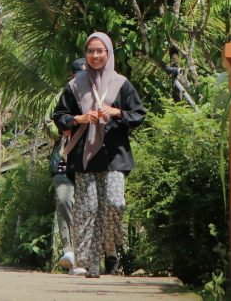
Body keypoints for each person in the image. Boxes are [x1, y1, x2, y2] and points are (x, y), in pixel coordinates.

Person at [51, 32, 145, 279]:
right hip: (84, 156)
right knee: (88, 208)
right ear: (86, 54)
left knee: (115, 203)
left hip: (115, 154)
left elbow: (139, 114)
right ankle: (91, 263)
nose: (95, 55)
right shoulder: (74, 85)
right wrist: (79, 118)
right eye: (90, 51)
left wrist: (117, 112)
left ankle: (111, 249)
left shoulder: (121, 83)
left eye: (100, 51)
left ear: (108, 53)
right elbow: (59, 115)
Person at [49, 57, 87, 272]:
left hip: (89, 161)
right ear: (72, 76)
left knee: (86, 206)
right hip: (64, 160)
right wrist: (66, 126)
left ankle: (87, 257)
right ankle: (69, 250)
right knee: (63, 200)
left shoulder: (101, 93)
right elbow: (50, 123)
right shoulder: (62, 95)